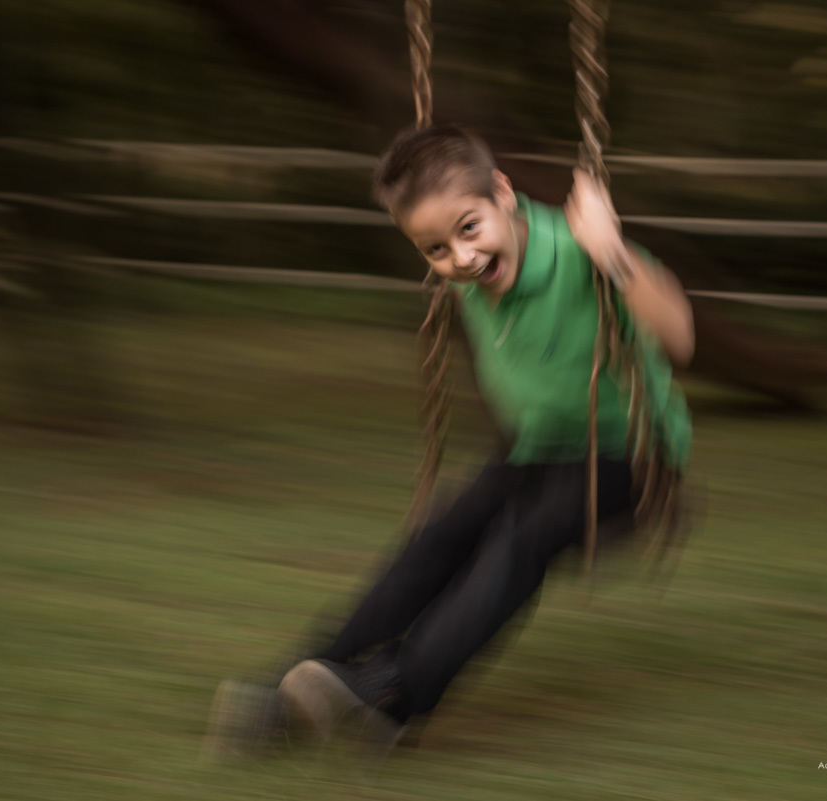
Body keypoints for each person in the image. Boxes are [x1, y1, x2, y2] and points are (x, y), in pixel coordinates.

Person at [274, 124, 695, 753]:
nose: (461, 259)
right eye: (435, 249)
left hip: (629, 461)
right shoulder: (464, 268)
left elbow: (680, 336)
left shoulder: (580, 249)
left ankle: (395, 691)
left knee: (519, 539)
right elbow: (452, 238)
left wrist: (610, 250)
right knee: (439, 536)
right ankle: (310, 675)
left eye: (469, 228)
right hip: (536, 451)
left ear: (503, 192)